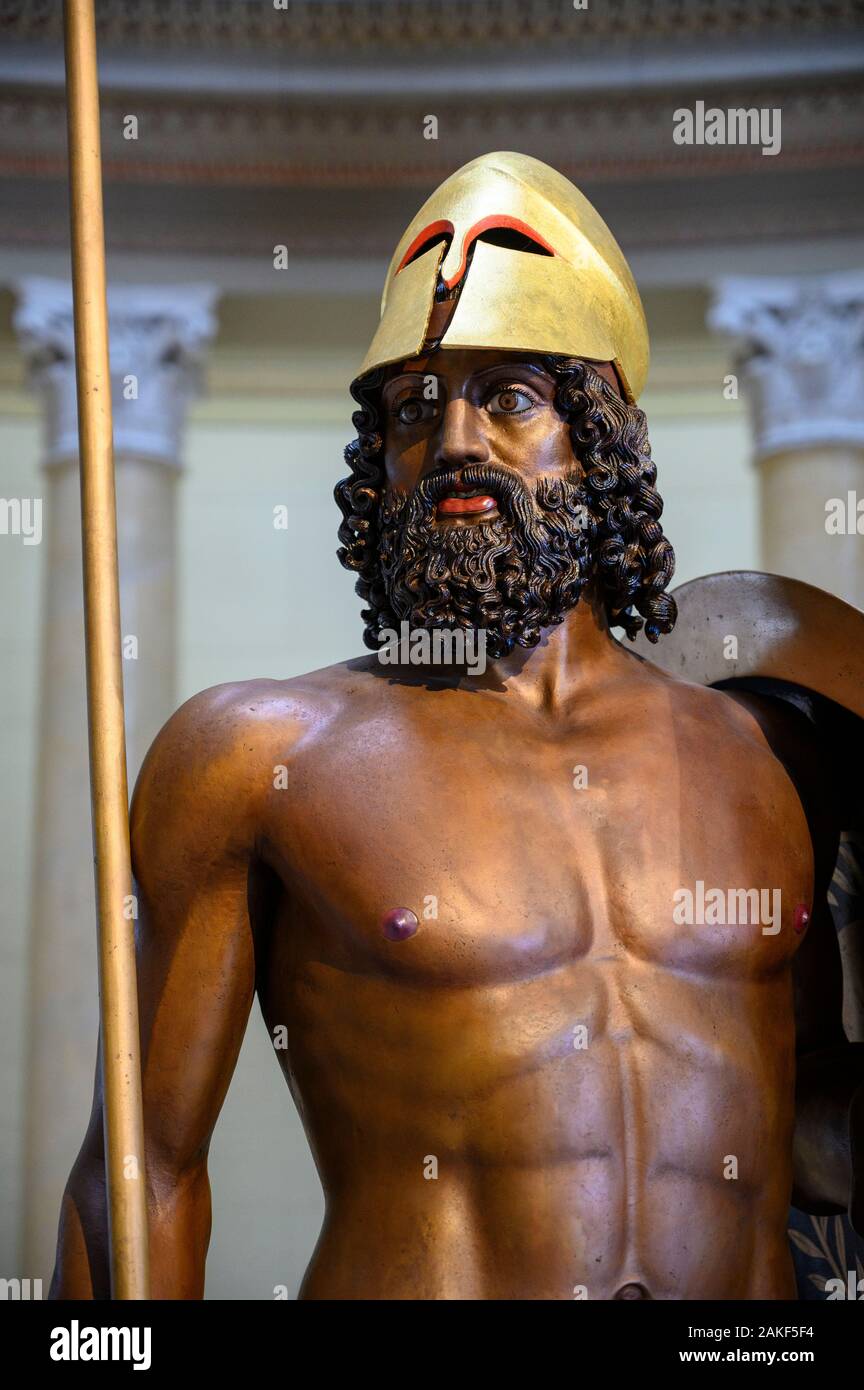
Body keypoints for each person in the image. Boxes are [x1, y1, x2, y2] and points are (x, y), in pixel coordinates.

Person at [51, 152, 863, 1300]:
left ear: (604, 439)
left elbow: (818, 1125)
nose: (460, 442)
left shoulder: (778, 757)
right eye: (413, 409)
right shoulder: (257, 757)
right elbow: (140, 1173)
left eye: (513, 397)